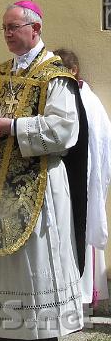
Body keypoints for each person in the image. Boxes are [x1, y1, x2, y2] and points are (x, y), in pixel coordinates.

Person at [0, 1, 87, 341]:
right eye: (4, 28)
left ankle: (41, 336)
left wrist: (11, 127)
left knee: (36, 257)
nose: (8, 34)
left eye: (14, 27)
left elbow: (63, 130)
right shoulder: (0, 72)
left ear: (35, 29)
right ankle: (2, 329)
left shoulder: (54, 74)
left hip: (37, 181)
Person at [55, 48, 111, 307]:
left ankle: (82, 294)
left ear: (73, 71)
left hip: (84, 178)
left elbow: (100, 143)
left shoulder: (87, 100)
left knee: (81, 228)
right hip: (67, 175)